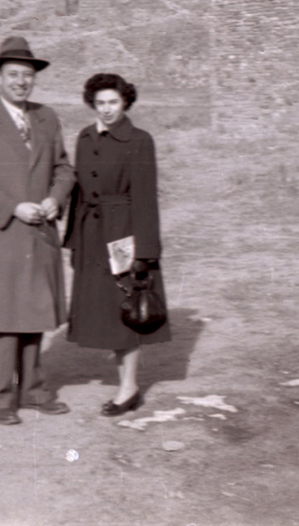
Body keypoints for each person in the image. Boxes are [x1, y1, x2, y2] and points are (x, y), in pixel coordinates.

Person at [0, 36, 75, 426]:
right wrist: (12, 207)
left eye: (27, 75)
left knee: (34, 312)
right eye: (13, 75)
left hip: (39, 233)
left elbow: (63, 168)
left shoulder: (47, 118)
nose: (21, 82)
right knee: (0, 317)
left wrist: (56, 198)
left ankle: (34, 392)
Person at [64, 73, 170, 416]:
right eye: (100, 103)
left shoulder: (140, 140)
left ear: (125, 102)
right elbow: (79, 194)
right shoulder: (83, 138)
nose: (107, 109)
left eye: (113, 102)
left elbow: (145, 199)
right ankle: (125, 381)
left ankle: (129, 387)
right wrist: (74, 241)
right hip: (91, 234)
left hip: (123, 233)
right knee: (105, 309)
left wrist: (145, 253)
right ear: (91, 104)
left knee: (128, 307)